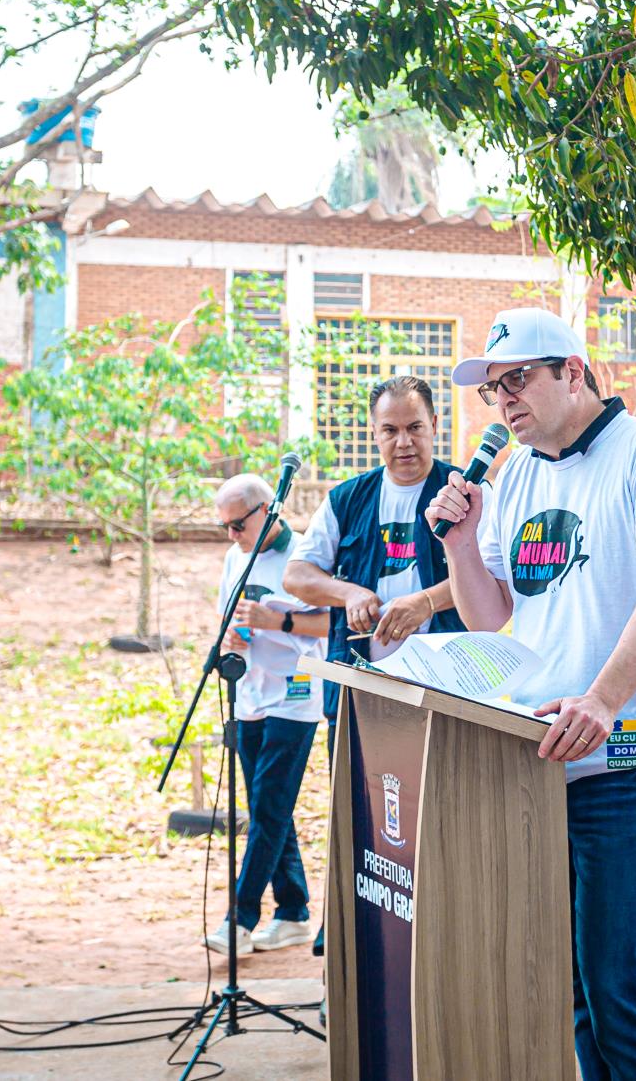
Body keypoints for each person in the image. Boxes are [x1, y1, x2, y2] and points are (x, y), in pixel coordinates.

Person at [425, 307, 636, 1081]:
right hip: (536, 753)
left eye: (518, 378)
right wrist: (458, 542)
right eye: (493, 388)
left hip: (626, 748)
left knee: (617, 982)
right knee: (574, 984)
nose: (504, 400)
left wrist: (602, 699)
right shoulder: (514, 475)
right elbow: (494, 617)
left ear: (573, 372)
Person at [285, 374, 466, 735]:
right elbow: (295, 575)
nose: (404, 442)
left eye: (414, 427)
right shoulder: (347, 498)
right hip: (357, 683)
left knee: (440, 788)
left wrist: (427, 602)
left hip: (445, 685)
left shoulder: (465, 491)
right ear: (374, 433)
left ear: (434, 425)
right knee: (355, 789)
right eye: (390, 431)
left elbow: (496, 575)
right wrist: (348, 592)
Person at [204, 472, 329, 957]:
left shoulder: (304, 556)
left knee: (270, 807)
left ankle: (242, 915)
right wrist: (230, 638)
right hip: (249, 695)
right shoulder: (235, 557)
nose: (232, 535)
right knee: (266, 809)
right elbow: (227, 614)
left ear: (267, 510)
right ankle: (294, 910)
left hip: (295, 696)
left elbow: (331, 621)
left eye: (238, 524)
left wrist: (275, 620)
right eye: (225, 528)